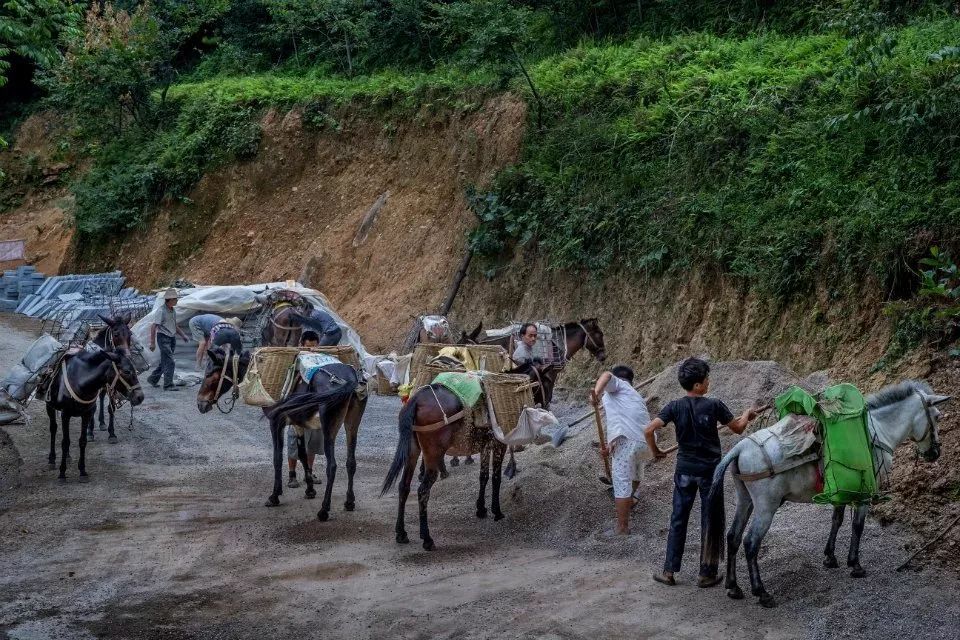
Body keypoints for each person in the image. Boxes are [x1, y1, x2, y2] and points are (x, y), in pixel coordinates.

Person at [644, 357, 759, 588]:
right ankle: (706, 573)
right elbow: (737, 428)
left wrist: (657, 451)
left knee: (678, 518)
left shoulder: (674, 406)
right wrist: (747, 414)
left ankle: (669, 571)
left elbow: (648, 429)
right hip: (710, 472)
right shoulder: (714, 405)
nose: (708, 382)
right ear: (697, 385)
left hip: (684, 470)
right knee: (711, 519)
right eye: (706, 379)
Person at [592, 365, 650, 535]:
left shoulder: (618, 386)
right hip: (645, 442)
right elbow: (622, 422)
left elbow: (606, 375)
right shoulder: (634, 395)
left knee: (621, 483)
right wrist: (610, 447)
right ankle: (631, 499)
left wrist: (596, 392)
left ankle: (622, 528)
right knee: (636, 475)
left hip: (629, 442)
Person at [287, 329, 323, 488]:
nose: (311, 350)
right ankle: (292, 475)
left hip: (315, 407)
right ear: (301, 345)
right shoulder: (295, 361)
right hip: (297, 407)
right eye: (308, 347)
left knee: (313, 441)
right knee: (294, 441)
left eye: (314, 347)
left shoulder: (321, 360)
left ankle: (309, 471)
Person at [148, 288, 188, 391]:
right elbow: (153, 326)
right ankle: (168, 385)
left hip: (171, 338)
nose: (177, 301)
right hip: (163, 338)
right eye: (175, 299)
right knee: (170, 361)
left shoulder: (172, 310)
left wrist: (183, 335)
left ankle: (153, 379)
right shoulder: (161, 311)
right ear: (169, 299)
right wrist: (152, 343)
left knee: (165, 361)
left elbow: (174, 324)